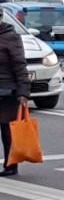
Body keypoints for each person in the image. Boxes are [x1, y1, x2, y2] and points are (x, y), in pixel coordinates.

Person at [0, 12, 31, 177]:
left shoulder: (10, 37)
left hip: (6, 91)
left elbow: (20, 65)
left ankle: (11, 165)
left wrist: (23, 92)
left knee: (7, 129)